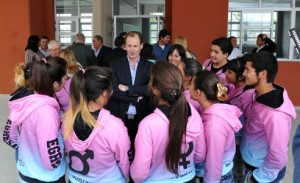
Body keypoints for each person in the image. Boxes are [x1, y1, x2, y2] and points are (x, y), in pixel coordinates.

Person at [130, 61, 206, 183]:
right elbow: (200, 155)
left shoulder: (148, 125)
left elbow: (138, 174)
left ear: (155, 90)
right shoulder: (193, 113)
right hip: (189, 177)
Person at [63, 67, 130, 183]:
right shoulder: (114, 126)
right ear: (104, 93)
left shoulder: (67, 119)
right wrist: (126, 176)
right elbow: (124, 161)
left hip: (74, 179)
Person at [5, 57, 68, 182]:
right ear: (55, 84)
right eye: (65, 79)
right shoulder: (46, 112)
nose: (66, 82)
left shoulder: (22, 101)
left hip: (25, 173)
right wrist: (63, 144)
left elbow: (9, 137)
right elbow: (51, 162)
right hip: (46, 177)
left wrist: (28, 152)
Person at [241, 51, 296, 183]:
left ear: (263, 73)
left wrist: (259, 178)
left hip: (262, 173)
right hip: (252, 163)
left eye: (248, 70)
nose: (243, 74)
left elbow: (278, 155)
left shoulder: (275, 114)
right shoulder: (257, 95)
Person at [189, 70, 242, 183]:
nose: (189, 87)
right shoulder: (210, 109)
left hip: (217, 177)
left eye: (191, 83)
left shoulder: (214, 125)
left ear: (198, 92)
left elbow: (214, 163)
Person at [108, 31, 153, 155]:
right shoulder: (115, 64)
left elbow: (150, 89)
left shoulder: (149, 66)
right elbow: (115, 91)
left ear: (141, 46)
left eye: (135, 46)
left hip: (142, 114)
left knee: (140, 149)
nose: (132, 50)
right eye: (129, 46)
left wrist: (128, 89)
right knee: (121, 149)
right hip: (120, 113)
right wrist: (137, 98)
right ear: (124, 46)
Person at [225, 57, 255, 182]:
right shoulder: (233, 88)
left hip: (240, 138)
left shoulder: (247, 93)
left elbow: (248, 119)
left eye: (230, 72)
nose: (226, 74)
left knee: (238, 168)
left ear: (241, 76)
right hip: (234, 136)